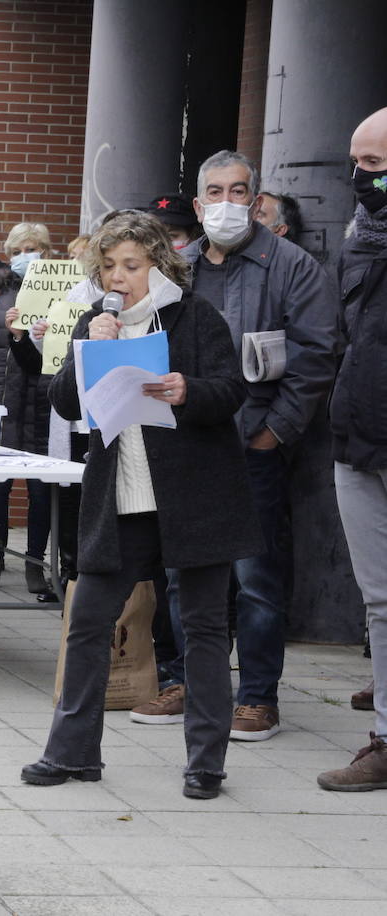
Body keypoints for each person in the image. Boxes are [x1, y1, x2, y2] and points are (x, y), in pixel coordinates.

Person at [21, 210, 260, 800]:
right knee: (88, 618)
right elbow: (64, 403)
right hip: (121, 497)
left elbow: (231, 389)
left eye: (131, 265)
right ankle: (73, 753)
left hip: (195, 498)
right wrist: (85, 347)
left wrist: (188, 390)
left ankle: (206, 762)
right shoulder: (93, 321)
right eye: (107, 267)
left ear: (159, 263)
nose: (118, 277)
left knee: (204, 626)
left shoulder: (194, 316)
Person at [132, 150, 340, 741]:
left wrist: (275, 432)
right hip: (186, 444)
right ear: (199, 205)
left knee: (256, 578)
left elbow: (316, 356)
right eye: (216, 192)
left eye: (240, 190)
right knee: (183, 573)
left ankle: (256, 698)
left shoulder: (292, 266)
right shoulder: (175, 269)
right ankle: (185, 683)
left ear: (255, 198)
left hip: (253, 446)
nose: (229, 202)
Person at [318, 106, 387, 791]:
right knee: (380, 599)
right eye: (358, 161)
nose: (359, 177)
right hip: (359, 435)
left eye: (372, 165)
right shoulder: (359, 234)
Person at [0, 223, 55, 594]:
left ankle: (36, 564)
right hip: (1, 404)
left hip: (43, 405)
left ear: (47, 253)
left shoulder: (61, 294)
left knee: (41, 491)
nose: (27, 255)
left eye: (34, 248)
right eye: (20, 249)